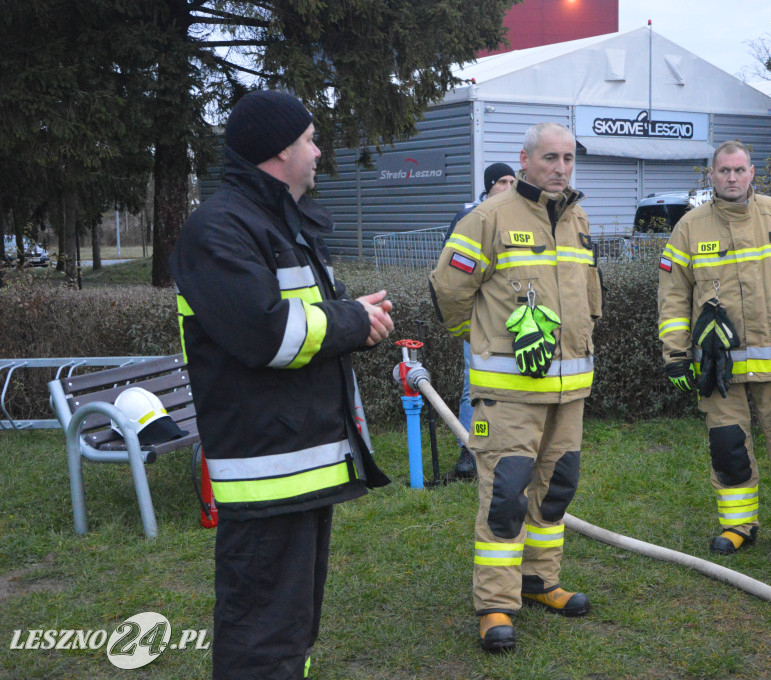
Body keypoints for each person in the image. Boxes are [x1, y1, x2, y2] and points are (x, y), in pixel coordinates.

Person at [170, 90, 395, 679]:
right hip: (265, 470)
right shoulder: (218, 228)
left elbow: (303, 316)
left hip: (299, 462)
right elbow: (269, 333)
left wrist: (354, 316)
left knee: (290, 630)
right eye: (310, 141)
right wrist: (352, 321)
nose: (318, 153)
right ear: (278, 151)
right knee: (261, 638)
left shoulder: (274, 220)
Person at [429, 122, 604, 652]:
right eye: (550, 157)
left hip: (568, 392)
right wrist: (479, 338)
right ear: (524, 160)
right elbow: (448, 291)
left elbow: (589, 294)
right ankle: (495, 605)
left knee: (556, 490)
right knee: (506, 496)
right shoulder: (489, 217)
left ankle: (539, 580)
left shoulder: (577, 217)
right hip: (507, 396)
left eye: (568, 158)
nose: (560, 168)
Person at [657, 140, 771, 569]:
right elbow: (672, 298)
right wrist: (676, 354)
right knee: (728, 448)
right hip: (718, 368)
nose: (732, 177)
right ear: (711, 175)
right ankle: (738, 527)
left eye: (739, 170)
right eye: (724, 170)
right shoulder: (689, 228)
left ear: (752, 173)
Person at [445, 162, 517, 481]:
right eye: (502, 182)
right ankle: (469, 450)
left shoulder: (520, 216)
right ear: (489, 186)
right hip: (479, 317)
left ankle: (507, 447)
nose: (508, 187)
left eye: (513, 181)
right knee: (473, 385)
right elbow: (451, 273)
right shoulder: (469, 217)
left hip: (514, 316)